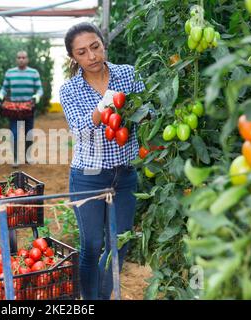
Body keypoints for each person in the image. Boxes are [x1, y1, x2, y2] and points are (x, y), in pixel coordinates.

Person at [60, 22, 149, 300]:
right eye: (82, 52)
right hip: (88, 176)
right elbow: (79, 128)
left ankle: (99, 296)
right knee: (91, 244)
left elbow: (148, 111)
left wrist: (140, 112)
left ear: (103, 43)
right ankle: (90, 299)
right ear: (74, 57)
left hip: (124, 175)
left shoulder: (128, 74)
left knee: (119, 244)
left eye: (95, 47)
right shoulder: (69, 89)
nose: (92, 57)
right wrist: (103, 108)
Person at [0, 51, 43, 167]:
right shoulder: (10, 73)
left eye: (23, 57)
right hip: (14, 109)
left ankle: (28, 156)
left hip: (28, 107)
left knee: (29, 133)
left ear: (27, 59)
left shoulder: (33, 73)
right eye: (19, 58)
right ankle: (16, 158)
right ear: (16, 59)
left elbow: (40, 89)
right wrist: (1, 94)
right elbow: (4, 88)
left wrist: (37, 96)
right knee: (14, 134)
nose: (21, 59)